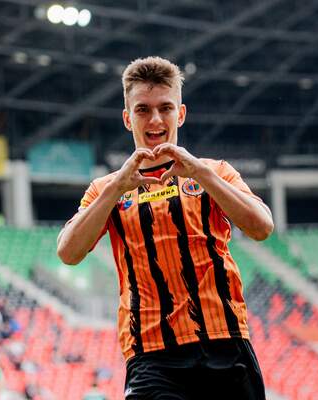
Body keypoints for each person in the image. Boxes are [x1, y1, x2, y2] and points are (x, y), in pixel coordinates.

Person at [57, 56, 274, 399]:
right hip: (151, 354)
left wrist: (201, 173)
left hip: (225, 341)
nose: (155, 119)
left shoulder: (215, 171)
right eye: (143, 110)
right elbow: (68, 252)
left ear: (181, 114)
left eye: (165, 108)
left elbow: (262, 227)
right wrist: (116, 189)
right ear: (128, 119)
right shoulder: (105, 189)